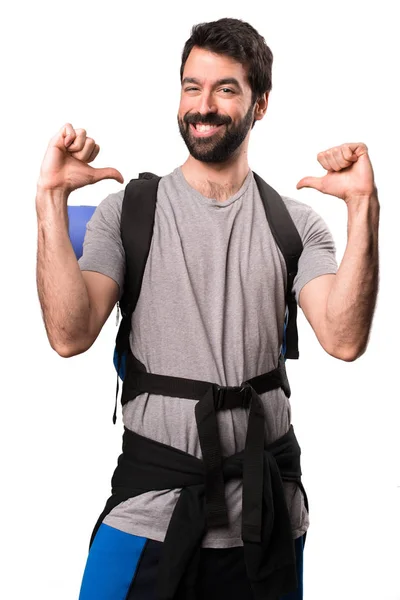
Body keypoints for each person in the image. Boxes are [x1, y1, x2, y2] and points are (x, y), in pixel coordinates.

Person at [35, 17, 379, 600]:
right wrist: (50, 200)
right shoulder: (129, 211)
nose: (204, 105)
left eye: (226, 89)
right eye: (192, 87)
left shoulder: (296, 224)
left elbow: (344, 340)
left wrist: (364, 209)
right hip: (152, 504)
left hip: (264, 515)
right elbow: (69, 334)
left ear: (260, 104)